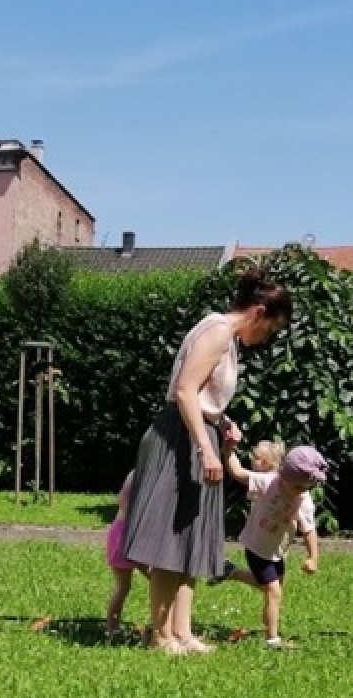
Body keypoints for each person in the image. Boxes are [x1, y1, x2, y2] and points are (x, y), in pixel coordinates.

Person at [119, 269, 292, 654]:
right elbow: (184, 391)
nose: (267, 337)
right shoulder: (217, 332)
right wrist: (205, 446)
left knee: (188, 539)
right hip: (178, 440)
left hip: (196, 435)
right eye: (271, 328)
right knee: (171, 539)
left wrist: (222, 422)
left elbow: (203, 398)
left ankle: (182, 632)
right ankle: (161, 635)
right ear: (258, 312)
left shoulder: (226, 339)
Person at [218, 441, 326, 648]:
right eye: (296, 486)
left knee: (271, 590)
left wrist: (313, 557)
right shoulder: (268, 482)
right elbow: (238, 472)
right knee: (273, 591)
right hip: (257, 546)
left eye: (305, 487)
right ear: (283, 475)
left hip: (277, 551)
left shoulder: (303, 500)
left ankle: (231, 572)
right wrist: (229, 450)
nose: (300, 491)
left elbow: (309, 530)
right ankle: (272, 639)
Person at [103, 470, 150, 637]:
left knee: (156, 579)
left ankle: (162, 624)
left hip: (132, 536)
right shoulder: (139, 472)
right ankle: (112, 627)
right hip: (124, 536)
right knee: (124, 586)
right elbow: (122, 500)